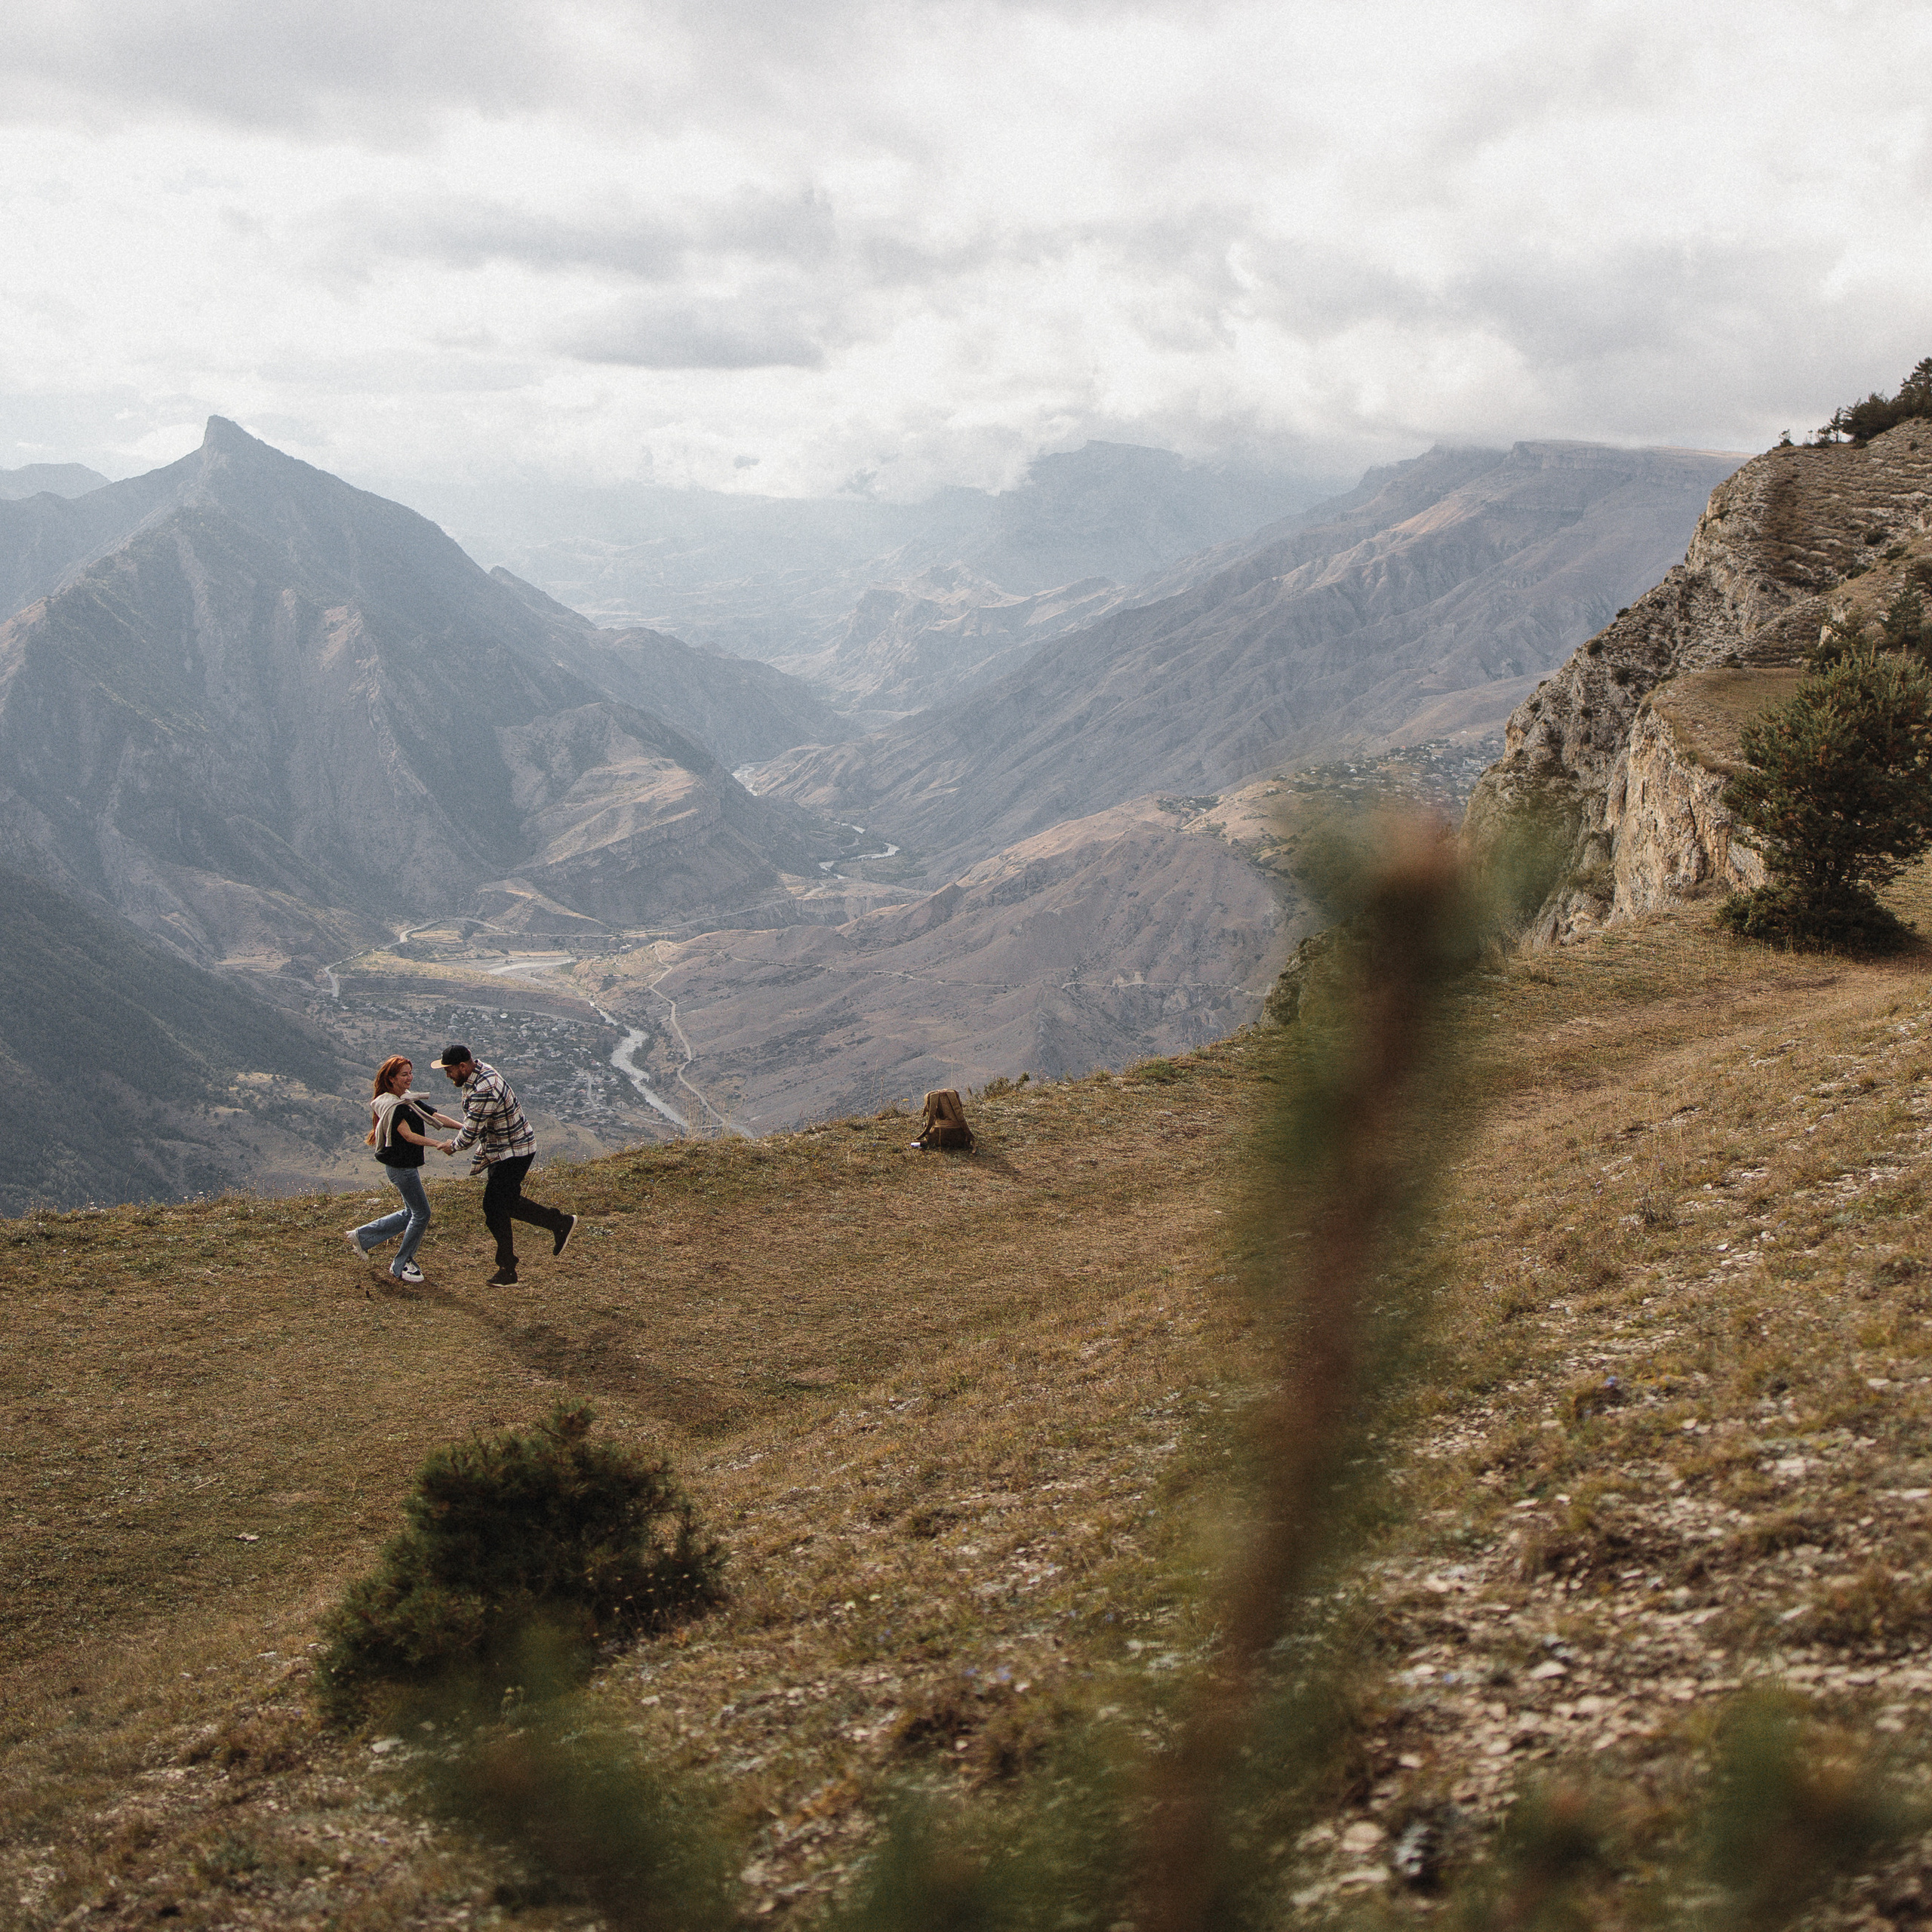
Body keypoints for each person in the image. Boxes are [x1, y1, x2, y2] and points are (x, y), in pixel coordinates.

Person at [432, 1042, 577, 1287]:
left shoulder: (484, 1088)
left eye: (449, 1070)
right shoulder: (476, 1075)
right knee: (506, 1204)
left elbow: (469, 1134)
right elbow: (475, 1123)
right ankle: (559, 1224)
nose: (447, 1075)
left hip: (514, 1152)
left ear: (463, 1066)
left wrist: (452, 1146)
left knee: (493, 1207)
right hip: (505, 1150)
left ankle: (508, 1269)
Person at [345, 1056, 463, 1285]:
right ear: (391, 1079)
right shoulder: (393, 1106)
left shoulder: (407, 1100)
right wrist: (437, 1144)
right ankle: (401, 1264)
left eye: (410, 1073)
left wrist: (465, 1127)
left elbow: (435, 1117)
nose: (409, 1078)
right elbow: (408, 1135)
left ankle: (362, 1236)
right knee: (422, 1214)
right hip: (401, 1169)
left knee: (411, 1213)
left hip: (405, 1167)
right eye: (404, 1075)